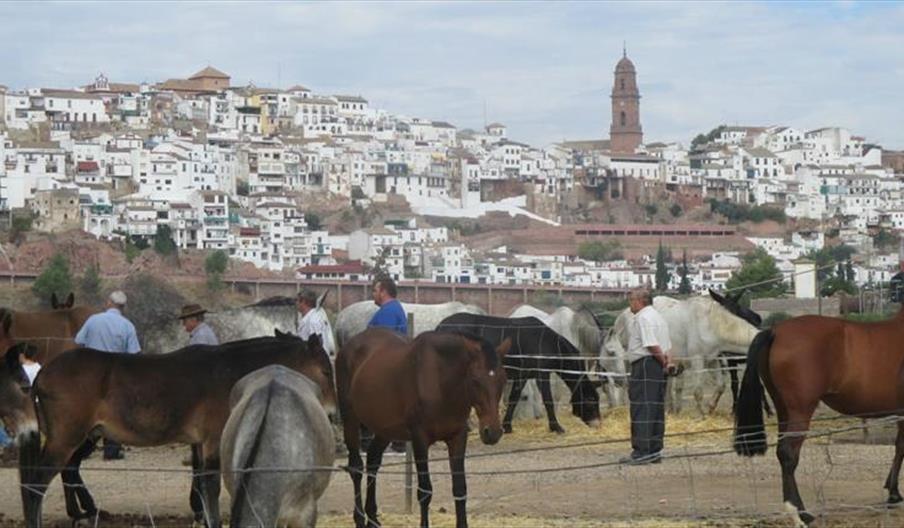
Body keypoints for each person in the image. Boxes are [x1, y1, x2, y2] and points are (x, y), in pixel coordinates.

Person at [74, 290, 140, 460]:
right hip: (115, 375)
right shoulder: (128, 326)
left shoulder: (93, 320)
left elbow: (79, 342)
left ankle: (82, 448)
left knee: (87, 409)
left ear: (109, 303)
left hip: (91, 372)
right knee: (114, 411)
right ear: (123, 307)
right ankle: (111, 450)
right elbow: (133, 354)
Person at [620, 287, 674, 466]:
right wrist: (667, 362)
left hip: (645, 364)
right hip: (658, 366)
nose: (630, 305)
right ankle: (654, 451)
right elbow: (667, 345)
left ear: (639, 301)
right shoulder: (660, 318)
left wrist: (662, 361)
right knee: (656, 408)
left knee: (642, 407)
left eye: (631, 301)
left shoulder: (643, 317)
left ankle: (641, 451)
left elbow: (650, 344)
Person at [366, 277, 408, 454]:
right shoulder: (392, 309)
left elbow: (381, 342)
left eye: (375, 290)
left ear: (383, 291)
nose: (373, 294)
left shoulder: (388, 313)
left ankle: (390, 441)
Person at [296, 290, 336, 358]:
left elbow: (317, 346)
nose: (296, 303)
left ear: (303, 302)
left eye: (297, 300)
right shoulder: (310, 318)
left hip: (313, 361)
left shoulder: (313, 320)